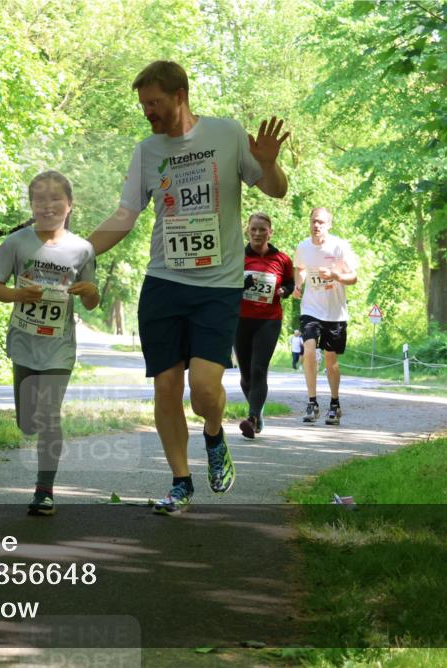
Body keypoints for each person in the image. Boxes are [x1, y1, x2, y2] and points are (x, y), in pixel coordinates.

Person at [87, 60, 289, 515]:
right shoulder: (147, 151)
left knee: (202, 388)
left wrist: (270, 163)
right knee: (165, 389)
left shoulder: (227, 134)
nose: (148, 113)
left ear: (180, 95)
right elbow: (124, 216)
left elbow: (276, 190)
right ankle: (181, 481)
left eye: (154, 103)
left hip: (217, 287)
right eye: (143, 105)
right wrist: (80, 251)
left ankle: (214, 432)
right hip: (164, 282)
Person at [0, 170, 99, 516]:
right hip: (23, 342)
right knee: (28, 423)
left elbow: (92, 301)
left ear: (69, 205)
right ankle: (31, 434)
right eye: (40, 199)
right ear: (31, 205)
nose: (47, 206)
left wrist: (91, 292)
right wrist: (19, 293)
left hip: (59, 347)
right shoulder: (17, 242)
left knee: (49, 416)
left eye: (55, 199)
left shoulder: (82, 249)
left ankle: (44, 490)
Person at [292, 207, 359, 426]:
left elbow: (353, 277)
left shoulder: (339, 247)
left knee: (331, 360)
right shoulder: (303, 247)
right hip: (311, 308)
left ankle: (334, 403)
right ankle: (312, 402)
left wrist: (335, 275)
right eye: (313, 221)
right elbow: (300, 268)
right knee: (309, 350)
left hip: (335, 312)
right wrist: (299, 283)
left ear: (329, 224)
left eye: (321, 222)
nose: (316, 225)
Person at [235, 212, 294, 439]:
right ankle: (258, 414)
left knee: (259, 369)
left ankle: (251, 418)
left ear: (270, 232)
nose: (258, 234)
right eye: (254, 229)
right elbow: (225, 283)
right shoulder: (237, 256)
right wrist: (241, 284)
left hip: (268, 320)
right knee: (246, 375)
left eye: (262, 230)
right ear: (247, 231)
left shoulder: (282, 259)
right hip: (241, 320)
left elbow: (290, 283)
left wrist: (285, 291)